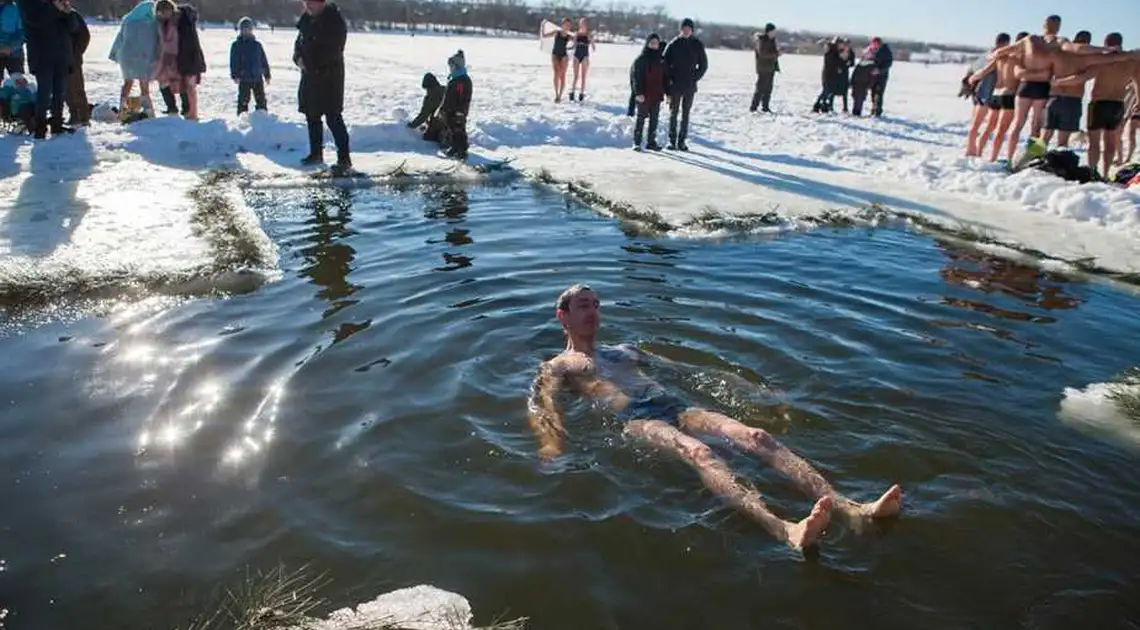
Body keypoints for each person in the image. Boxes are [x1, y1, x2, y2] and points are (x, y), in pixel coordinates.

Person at [528, 284, 904, 552]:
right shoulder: (558, 365)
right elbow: (543, 405)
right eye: (583, 305)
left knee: (757, 437)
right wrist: (550, 442)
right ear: (563, 316)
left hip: (675, 406)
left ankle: (852, 508)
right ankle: (785, 529)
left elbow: (688, 370)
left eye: (596, 304)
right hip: (637, 418)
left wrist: (753, 391)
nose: (593, 311)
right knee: (702, 455)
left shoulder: (624, 350)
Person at [1052, 33, 1140, 177]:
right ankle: (1105, 174)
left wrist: (1059, 82)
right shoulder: (1131, 62)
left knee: (1094, 142)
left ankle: (1093, 171)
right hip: (1117, 104)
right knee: (1110, 141)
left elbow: (1082, 77)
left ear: (1106, 43)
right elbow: (1138, 83)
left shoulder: (1103, 60)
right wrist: (1138, 101)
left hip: (1099, 103)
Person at [294, 0, 351, 172]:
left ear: (322, 3)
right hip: (310, 78)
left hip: (329, 78)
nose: (309, 6)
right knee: (312, 116)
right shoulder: (306, 21)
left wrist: (311, 64)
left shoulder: (334, 21)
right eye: (306, 3)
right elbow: (299, 44)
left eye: (312, 3)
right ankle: (316, 153)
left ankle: (344, 158)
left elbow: (333, 51)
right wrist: (298, 59)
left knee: (333, 117)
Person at [970, 32, 1028, 162]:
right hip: (1009, 95)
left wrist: (972, 78)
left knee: (990, 126)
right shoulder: (1021, 57)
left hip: (996, 94)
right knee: (1002, 129)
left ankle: (979, 152)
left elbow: (983, 71)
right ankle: (993, 158)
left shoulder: (1001, 55)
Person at [18, 0, 72, 138]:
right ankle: (40, 127)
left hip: (62, 55)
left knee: (60, 92)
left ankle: (57, 123)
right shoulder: (29, 4)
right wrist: (55, 8)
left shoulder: (56, 4)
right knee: (44, 92)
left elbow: (73, 28)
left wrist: (68, 13)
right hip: (41, 56)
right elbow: (35, 21)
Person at [1041, 30, 1094, 149]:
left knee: (1044, 137)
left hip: (1053, 97)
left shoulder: (1059, 53)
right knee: (1062, 142)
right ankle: (1056, 164)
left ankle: (1034, 160)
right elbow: (1082, 78)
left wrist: (1057, 82)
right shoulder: (1087, 59)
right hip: (1072, 100)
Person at [153, 0, 205, 121]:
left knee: (182, 84)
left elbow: (188, 41)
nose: (163, 14)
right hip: (165, 58)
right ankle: (172, 108)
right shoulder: (162, 22)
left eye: (165, 11)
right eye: (160, 12)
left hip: (179, 58)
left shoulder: (180, 22)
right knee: (163, 83)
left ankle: (187, 110)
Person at [663, 17, 707, 152]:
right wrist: (668, 82)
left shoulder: (697, 44)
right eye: (684, 29)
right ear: (680, 30)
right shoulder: (673, 44)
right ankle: (672, 141)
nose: (686, 31)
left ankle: (682, 142)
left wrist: (695, 78)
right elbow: (664, 65)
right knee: (673, 113)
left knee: (685, 114)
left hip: (689, 85)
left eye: (689, 29)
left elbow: (704, 65)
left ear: (692, 30)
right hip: (675, 84)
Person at [109, 0, 159, 118]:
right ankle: (148, 111)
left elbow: (119, 40)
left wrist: (114, 54)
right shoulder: (152, 24)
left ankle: (124, 110)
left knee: (128, 83)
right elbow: (154, 42)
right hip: (143, 58)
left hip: (127, 58)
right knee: (144, 85)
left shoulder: (128, 21)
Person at [963, 33, 1006, 157]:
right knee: (978, 123)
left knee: (981, 123)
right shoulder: (996, 56)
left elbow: (972, 70)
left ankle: (974, 148)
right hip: (985, 93)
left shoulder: (984, 56)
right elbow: (978, 73)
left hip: (982, 92)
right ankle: (971, 149)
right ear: (1004, 43)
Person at [631, 33, 665, 152]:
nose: (654, 45)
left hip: (656, 93)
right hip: (644, 94)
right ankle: (637, 142)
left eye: (656, 43)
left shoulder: (660, 59)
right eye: (652, 43)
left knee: (654, 120)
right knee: (641, 118)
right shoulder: (641, 59)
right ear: (647, 44)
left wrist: (666, 91)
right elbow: (636, 77)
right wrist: (638, 93)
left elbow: (664, 76)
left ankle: (651, 142)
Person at [230, 16, 270, 115]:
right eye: (243, 29)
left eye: (248, 29)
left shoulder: (257, 45)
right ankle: (241, 117)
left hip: (257, 77)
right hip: (244, 78)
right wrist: (235, 75)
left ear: (251, 30)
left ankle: (263, 117)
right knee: (243, 100)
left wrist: (267, 75)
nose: (246, 31)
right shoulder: (236, 45)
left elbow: (263, 60)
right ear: (240, 30)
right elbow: (234, 61)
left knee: (261, 100)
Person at [440, 49, 471, 159]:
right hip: (450, 110)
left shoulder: (462, 80)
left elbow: (463, 97)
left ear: (457, 66)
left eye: (451, 66)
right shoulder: (455, 78)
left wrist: (460, 111)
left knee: (459, 130)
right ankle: (454, 147)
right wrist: (443, 109)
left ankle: (462, 151)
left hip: (457, 111)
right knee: (452, 129)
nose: (450, 68)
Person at [63, 0, 86, 126]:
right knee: (66, 90)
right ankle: (74, 114)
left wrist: (76, 53)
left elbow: (84, 36)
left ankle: (83, 116)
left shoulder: (73, 15)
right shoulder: (51, 15)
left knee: (77, 88)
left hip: (73, 59)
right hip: (58, 58)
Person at [541, 17, 571, 103]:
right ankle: (556, 94)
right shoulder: (556, 32)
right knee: (556, 73)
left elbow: (575, 44)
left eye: (568, 25)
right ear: (562, 25)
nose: (567, 26)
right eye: (565, 24)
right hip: (555, 54)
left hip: (564, 56)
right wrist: (543, 26)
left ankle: (560, 96)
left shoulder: (569, 36)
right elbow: (544, 35)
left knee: (563, 75)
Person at [750, 23, 779, 113]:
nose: (775, 33)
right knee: (760, 88)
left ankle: (765, 107)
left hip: (771, 67)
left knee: (768, 88)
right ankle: (753, 107)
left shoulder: (772, 40)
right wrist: (776, 54)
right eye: (773, 31)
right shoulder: (762, 40)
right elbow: (762, 54)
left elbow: (772, 52)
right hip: (763, 68)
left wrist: (777, 52)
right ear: (769, 31)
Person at [407, 71, 444, 137]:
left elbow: (423, 115)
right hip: (452, 121)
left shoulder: (431, 97)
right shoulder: (445, 89)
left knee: (427, 137)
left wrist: (411, 125)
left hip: (439, 125)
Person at [567, 17, 593, 102]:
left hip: (585, 55)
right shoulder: (576, 34)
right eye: (582, 23)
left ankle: (581, 93)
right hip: (577, 55)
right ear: (579, 24)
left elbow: (593, 47)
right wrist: (568, 48)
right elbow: (573, 45)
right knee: (576, 76)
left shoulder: (589, 34)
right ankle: (572, 92)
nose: (583, 25)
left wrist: (591, 40)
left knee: (583, 76)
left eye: (585, 23)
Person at [868, 36, 893, 117]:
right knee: (873, 92)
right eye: (873, 43)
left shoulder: (886, 51)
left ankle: (878, 111)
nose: (875, 45)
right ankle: (873, 108)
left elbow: (888, 63)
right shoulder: (871, 50)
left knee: (879, 93)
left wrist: (880, 70)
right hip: (873, 76)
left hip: (882, 76)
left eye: (876, 44)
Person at [0, 0, 24, 78]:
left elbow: (23, 33)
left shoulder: (16, 8)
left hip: (14, 54)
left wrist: (11, 47)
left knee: (19, 85)